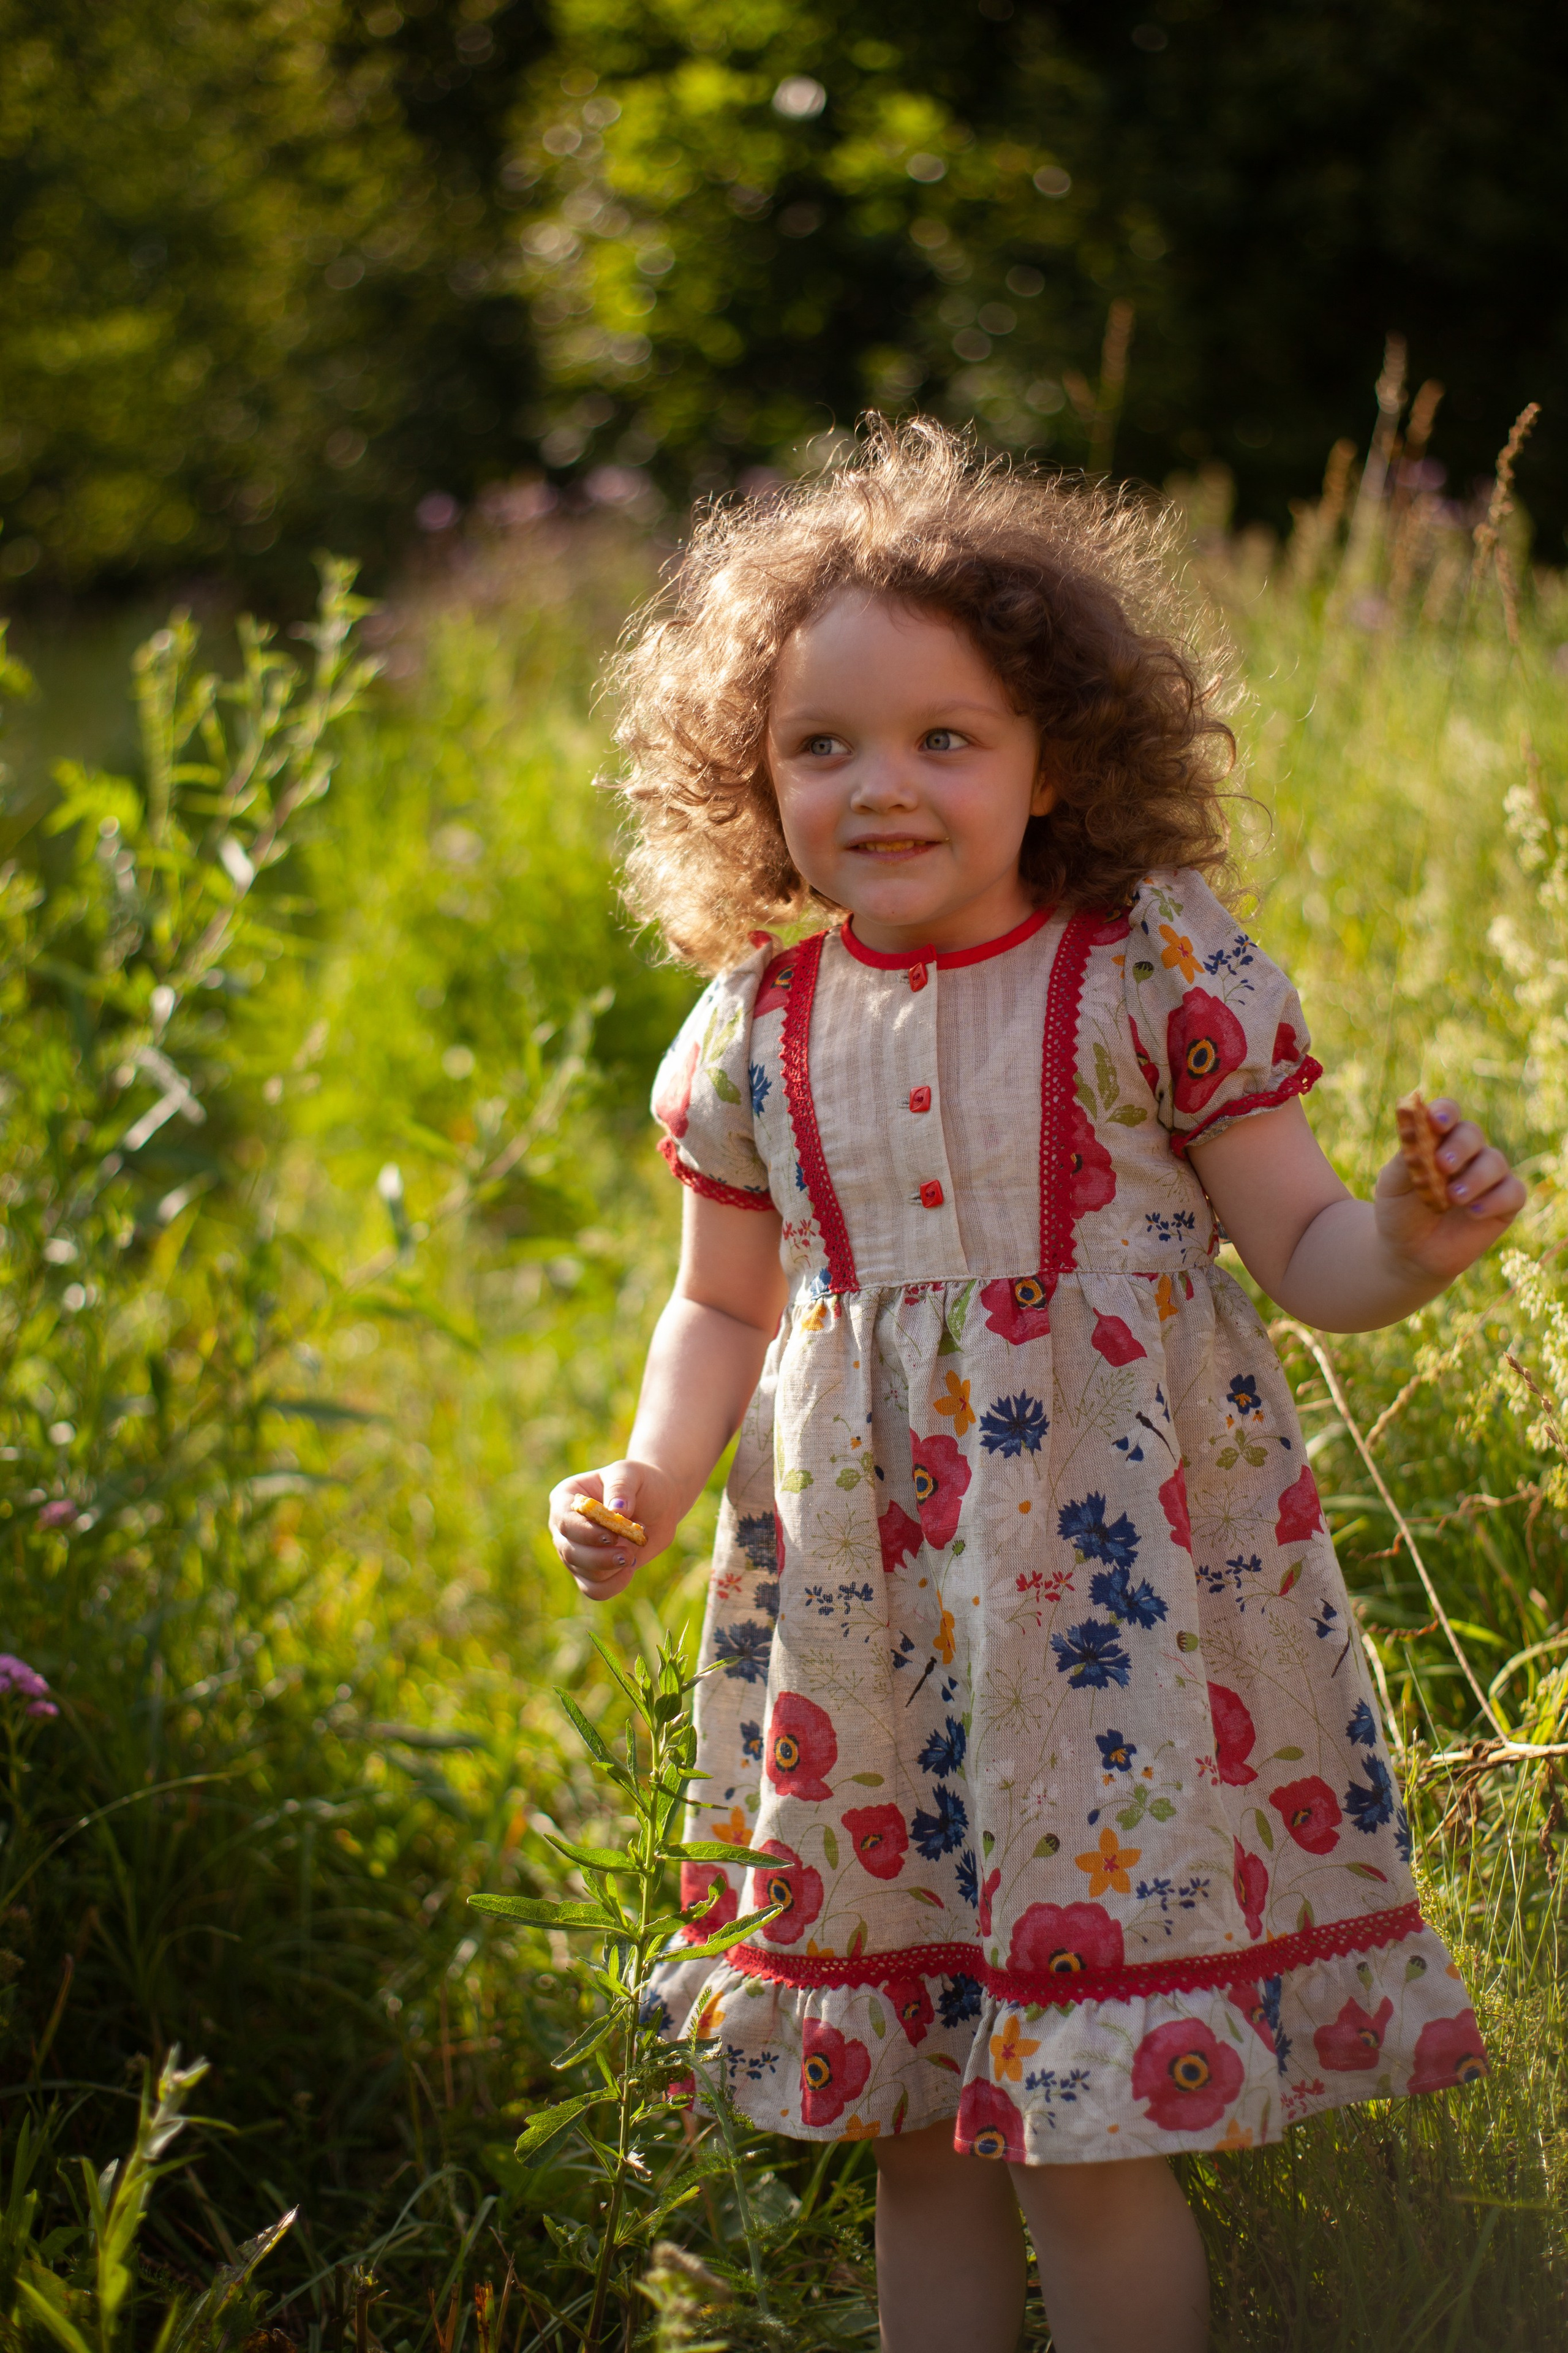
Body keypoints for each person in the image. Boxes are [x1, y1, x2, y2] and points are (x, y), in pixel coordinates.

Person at [548, 420, 1521, 2353]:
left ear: (1052, 758)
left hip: (1115, 1631)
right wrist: (651, 1472)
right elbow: (720, 1310)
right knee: (918, 2110)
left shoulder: (1148, 967)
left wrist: (1413, 1241)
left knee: (1085, 2121)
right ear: (753, 782)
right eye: (821, 746)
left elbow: (1309, 1250)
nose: (879, 785)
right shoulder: (755, 1026)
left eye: (943, 737)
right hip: (864, 1624)